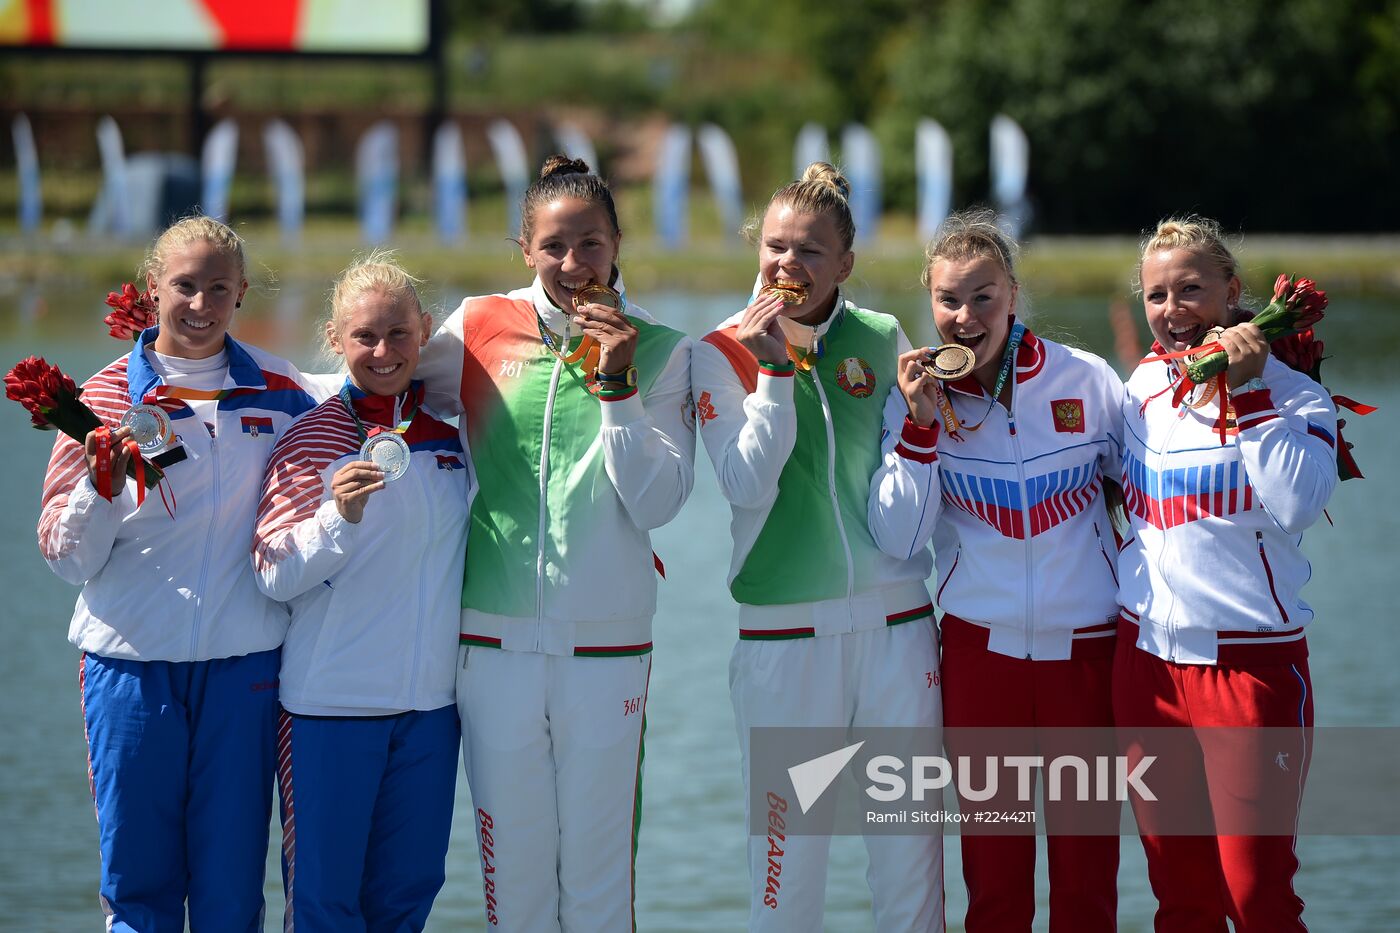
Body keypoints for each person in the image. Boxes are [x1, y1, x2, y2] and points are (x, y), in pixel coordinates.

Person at [415, 156, 695, 931]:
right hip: (491, 647)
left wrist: (619, 384)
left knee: (601, 894)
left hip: (609, 654)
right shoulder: (475, 327)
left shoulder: (666, 349)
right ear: (525, 248)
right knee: (516, 896)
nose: (574, 265)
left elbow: (659, 500)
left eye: (591, 244)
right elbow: (369, 380)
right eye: (554, 246)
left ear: (616, 244)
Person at [35, 216, 326, 931]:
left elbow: (383, 366)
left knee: (230, 893)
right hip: (129, 668)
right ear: (151, 288)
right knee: (139, 889)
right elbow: (65, 556)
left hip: (245, 668)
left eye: (218, 288)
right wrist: (98, 485)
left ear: (242, 294)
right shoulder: (102, 399)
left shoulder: (287, 394)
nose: (200, 304)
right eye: (184, 286)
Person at [692, 162, 944, 933]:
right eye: (774, 247)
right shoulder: (719, 351)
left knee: (911, 870)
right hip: (784, 643)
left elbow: (911, 498)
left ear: (845, 263)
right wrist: (773, 369)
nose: (787, 265)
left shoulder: (882, 337)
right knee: (785, 882)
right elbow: (742, 483)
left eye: (808, 250)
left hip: (899, 635)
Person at [867, 209, 1125, 932]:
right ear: (930, 302)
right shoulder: (917, 397)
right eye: (949, 298)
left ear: (1012, 294)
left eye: (983, 296)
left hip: (1086, 658)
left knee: (1086, 884)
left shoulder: (1089, 379)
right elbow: (898, 537)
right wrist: (918, 430)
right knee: (996, 884)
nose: (965, 315)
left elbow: (1146, 494)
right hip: (983, 664)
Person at [1115, 216, 1337, 932]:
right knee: (1182, 901)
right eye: (1156, 295)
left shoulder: (1296, 394)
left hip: (1252, 671)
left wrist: (1250, 395)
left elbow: (1298, 503)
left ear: (1234, 292)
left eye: (1191, 290)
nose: (1173, 310)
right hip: (1147, 669)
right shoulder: (1142, 385)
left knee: (1257, 898)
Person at [251, 255, 472, 931]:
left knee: (406, 901)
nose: (383, 352)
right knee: (324, 908)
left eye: (399, 334)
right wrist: (335, 521)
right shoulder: (310, 437)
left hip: (430, 712)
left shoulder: (453, 438)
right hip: (330, 709)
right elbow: (272, 571)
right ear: (335, 338)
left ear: (425, 332)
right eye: (365, 337)